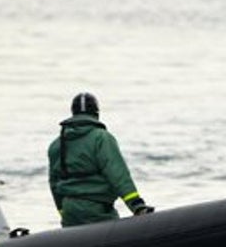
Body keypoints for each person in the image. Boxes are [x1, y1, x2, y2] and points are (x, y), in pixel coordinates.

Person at [47, 92, 153, 227]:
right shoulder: (101, 138)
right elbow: (118, 175)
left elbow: (54, 183)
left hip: (69, 211)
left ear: (73, 112)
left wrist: (62, 210)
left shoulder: (57, 145)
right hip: (97, 210)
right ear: (96, 113)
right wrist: (137, 205)